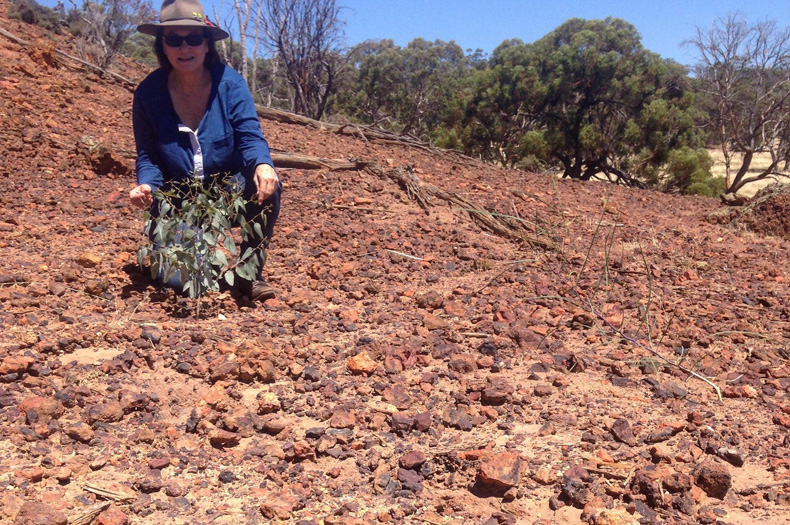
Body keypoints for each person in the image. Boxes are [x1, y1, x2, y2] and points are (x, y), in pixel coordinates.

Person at [129, 0, 280, 302]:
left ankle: (250, 274)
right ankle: (194, 250)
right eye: (174, 40)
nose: (184, 48)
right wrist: (147, 186)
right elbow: (148, 155)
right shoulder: (148, 93)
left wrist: (263, 164)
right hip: (178, 197)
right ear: (163, 46)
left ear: (207, 44)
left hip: (226, 191)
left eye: (193, 39)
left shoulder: (231, 85)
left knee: (266, 185)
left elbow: (250, 138)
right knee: (180, 281)